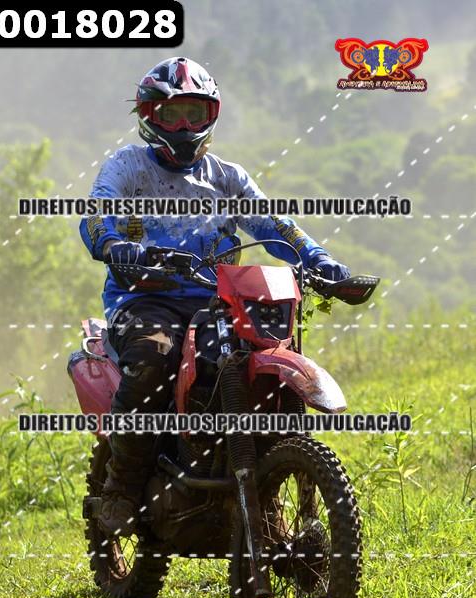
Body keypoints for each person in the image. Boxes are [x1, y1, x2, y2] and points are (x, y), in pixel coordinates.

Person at [80, 56, 350, 537]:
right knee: (153, 358)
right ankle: (121, 487)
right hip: (145, 300)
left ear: (212, 116)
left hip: (220, 302)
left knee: (258, 361)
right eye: (171, 115)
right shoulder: (128, 167)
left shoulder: (227, 177)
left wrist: (320, 260)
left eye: (195, 113)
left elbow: (274, 223)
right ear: (149, 116)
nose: (184, 127)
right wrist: (115, 244)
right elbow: (97, 213)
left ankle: (266, 488)